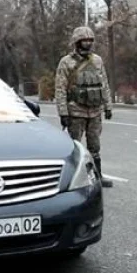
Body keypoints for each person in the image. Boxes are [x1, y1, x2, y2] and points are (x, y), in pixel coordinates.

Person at [54, 26, 114, 188]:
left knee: (95, 146)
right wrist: (63, 113)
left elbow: (104, 84)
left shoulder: (97, 61)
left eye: (90, 40)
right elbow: (60, 89)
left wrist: (108, 106)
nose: (87, 43)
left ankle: (98, 177)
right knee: (75, 147)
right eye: (84, 40)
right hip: (75, 111)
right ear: (77, 42)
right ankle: (72, 181)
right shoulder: (66, 62)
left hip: (94, 111)